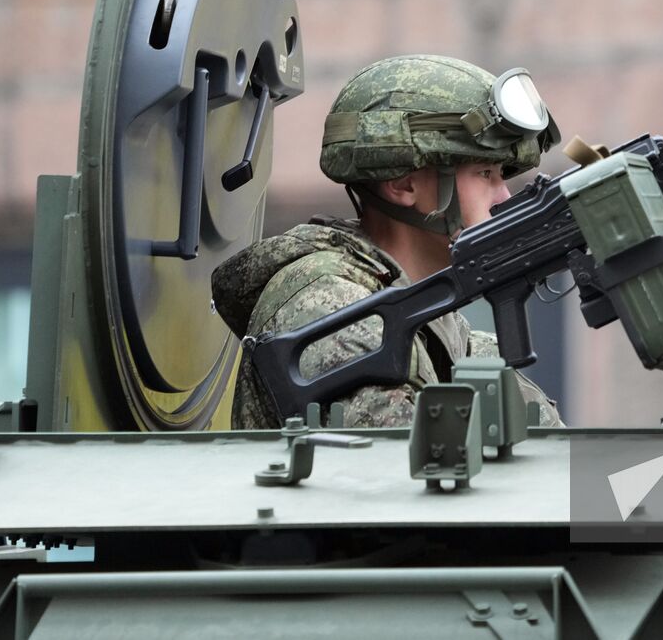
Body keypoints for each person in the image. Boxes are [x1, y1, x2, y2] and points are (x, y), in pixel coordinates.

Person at [213, 54, 565, 429]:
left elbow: (552, 450)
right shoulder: (328, 307)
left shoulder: (439, 325)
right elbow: (405, 472)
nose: (503, 198)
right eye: (484, 174)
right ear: (402, 183)